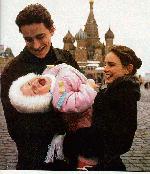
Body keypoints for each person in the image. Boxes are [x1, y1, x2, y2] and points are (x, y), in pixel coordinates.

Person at [1, 4, 80, 170]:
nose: (36, 45)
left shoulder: (66, 59)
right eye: (29, 39)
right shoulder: (12, 70)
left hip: (70, 158)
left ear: (52, 29)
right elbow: (16, 128)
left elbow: (83, 100)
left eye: (41, 36)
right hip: (33, 161)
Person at [63, 45, 142, 171]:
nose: (105, 69)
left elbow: (118, 140)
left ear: (128, 69)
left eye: (111, 65)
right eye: (105, 64)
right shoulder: (115, 91)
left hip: (101, 165)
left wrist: (72, 138)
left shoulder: (123, 95)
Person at [8, 63, 97, 164]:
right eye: (34, 90)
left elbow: (61, 71)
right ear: (41, 100)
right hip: (87, 124)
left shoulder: (51, 75)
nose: (33, 84)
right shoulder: (59, 101)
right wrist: (89, 87)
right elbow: (78, 102)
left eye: (28, 83)